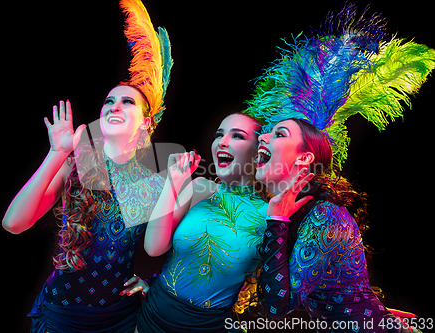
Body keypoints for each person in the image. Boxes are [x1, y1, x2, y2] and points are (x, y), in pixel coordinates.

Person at [244, 3, 434, 332]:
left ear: (304, 158)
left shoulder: (324, 215)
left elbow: (276, 308)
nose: (263, 136)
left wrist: (276, 220)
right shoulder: (293, 209)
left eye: (279, 133)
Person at [2, 0, 173, 331]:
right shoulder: (75, 167)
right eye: (109, 100)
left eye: (127, 102)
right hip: (61, 316)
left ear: (145, 124)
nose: (114, 106)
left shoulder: (156, 184)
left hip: (120, 319)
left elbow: (176, 248)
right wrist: (56, 153)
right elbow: (14, 223)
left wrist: (153, 281)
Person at [137, 112, 311, 332]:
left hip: (209, 326)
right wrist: (173, 182)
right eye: (219, 135)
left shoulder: (272, 213)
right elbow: (153, 247)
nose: (222, 142)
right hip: (151, 318)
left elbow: (277, 294)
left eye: (237, 136)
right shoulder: (200, 187)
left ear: (259, 149)